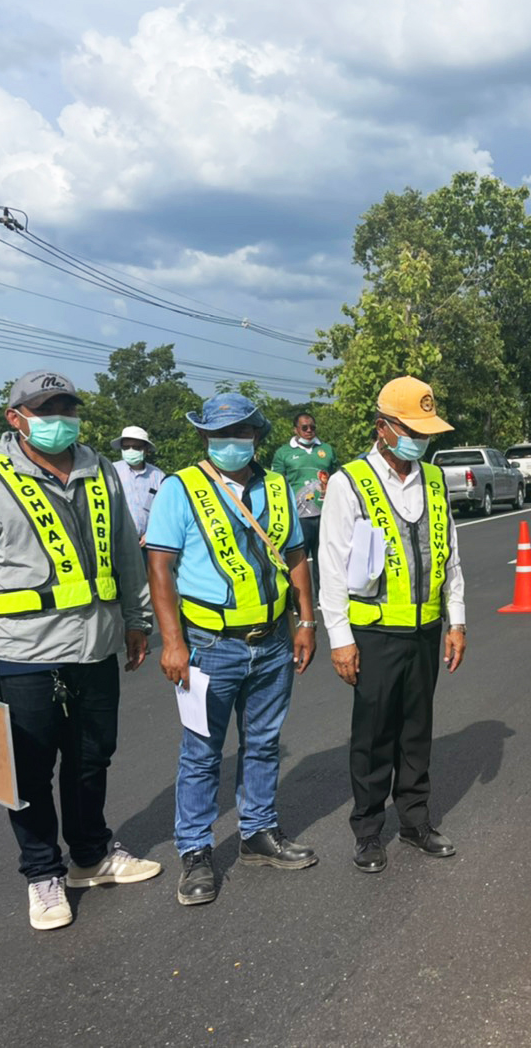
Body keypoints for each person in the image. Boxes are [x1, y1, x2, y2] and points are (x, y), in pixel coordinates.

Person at [0, 370, 160, 931]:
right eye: (46, 410)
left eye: (67, 408)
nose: (59, 420)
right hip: (24, 652)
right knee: (28, 770)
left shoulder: (100, 469)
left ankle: (90, 854)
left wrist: (137, 620)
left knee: (92, 758)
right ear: (16, 418)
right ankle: (43, 872)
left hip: (96, 646)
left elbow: (126, 551)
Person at [145, 392, 319, 906]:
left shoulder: (276, 486)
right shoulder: (181, 488)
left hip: (272, 640)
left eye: (241, 432)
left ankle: (257, 832)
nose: (231, 442)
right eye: (220, 434)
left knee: (263, 742)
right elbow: (160, 567)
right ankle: (196, 850)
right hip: (209, 645)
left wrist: (306, 621)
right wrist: (172, 642)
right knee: (202, 752)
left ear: (257, 436)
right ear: (205, 437)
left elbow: (295, 555)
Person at [319, 376, 466, 874]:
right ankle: (367, 831)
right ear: (383, 427)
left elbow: (449, 554)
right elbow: (331, 567)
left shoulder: (434, 479)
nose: (420, 440)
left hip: (426, 629)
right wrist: (340, 639)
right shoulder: (350, 482)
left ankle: (415, 821)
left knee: (417, 731)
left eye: (426, 432)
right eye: (412, 430)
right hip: (375, 632)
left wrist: (457, 620)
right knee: (374, 736)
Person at [272, 412, 337, 597]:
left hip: (325, 514)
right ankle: (295, 599)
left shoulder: (327, 449)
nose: (309, 431)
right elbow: (277, 483)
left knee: (324, 559)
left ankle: (324, 598)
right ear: (296, 429)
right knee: (297, 561)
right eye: (304, 428)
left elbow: (336, 477)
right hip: (299, 516)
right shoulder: (283, 453)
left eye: (312, 427)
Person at [111, 425, 165, 557]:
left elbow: (164, 511)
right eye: (126, 447)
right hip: (116, 543)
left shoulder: (158, 476)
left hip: (148, 544)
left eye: (136, 447)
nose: (131, 450)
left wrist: (151, 533)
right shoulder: (111, 472)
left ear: (146, 450)